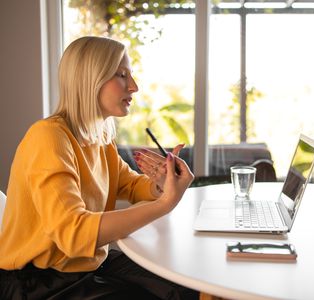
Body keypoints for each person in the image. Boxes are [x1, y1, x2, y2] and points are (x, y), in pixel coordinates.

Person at [0, 36, 198, 299]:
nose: (134, 86)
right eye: (121, 75)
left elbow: (127, 183)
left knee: (185, 287)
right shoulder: (48, 137)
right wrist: (163, 204)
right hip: (39, 280)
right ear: (90, 79)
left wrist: (161, 183)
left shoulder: (99, 136)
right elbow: (74, 232)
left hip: (89, 262)